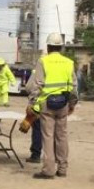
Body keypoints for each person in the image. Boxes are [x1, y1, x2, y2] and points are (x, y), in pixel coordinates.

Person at [27, 33, 75, 179]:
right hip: (63, 104)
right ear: (61, 47)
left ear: (48, 47)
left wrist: (32, 103)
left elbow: (38, 85)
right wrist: (72, 103)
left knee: (48, 137)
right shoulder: (69, 62)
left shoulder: (43, 61)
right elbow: (74, 86)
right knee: (62, 136)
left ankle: (48, 170)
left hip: (47, 105)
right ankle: (62, 169)